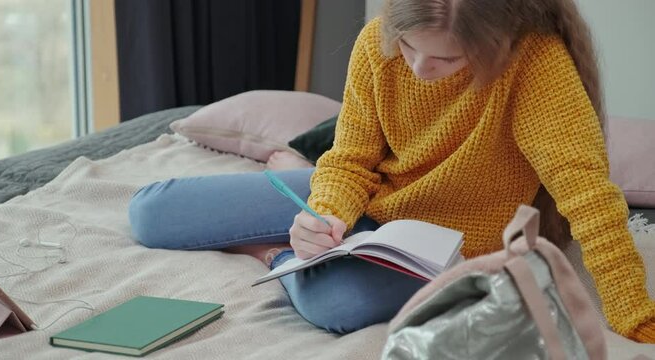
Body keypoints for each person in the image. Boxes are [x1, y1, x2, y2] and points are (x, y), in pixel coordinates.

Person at [129, 0, 655, 341]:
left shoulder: (535, 62)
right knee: (152, 213)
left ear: (496, 40)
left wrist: (633, 316)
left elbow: (586, 192)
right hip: (369, 208)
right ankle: (301, 221)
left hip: (453, 246)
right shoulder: (376, 43)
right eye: (408, 48)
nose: (421, 69)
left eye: (448, 61)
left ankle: (271, 252)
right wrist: (327, 214)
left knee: (341, 304)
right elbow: (353, 158)